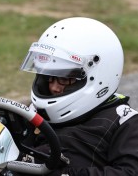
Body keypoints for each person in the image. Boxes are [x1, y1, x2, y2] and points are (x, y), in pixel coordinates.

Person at [20, 17, 138, 175]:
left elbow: (130, 172)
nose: (54, 87)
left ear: (97, 75)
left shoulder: (125, 123)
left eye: (64, 78)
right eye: (48, 77)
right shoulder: (31, 112)